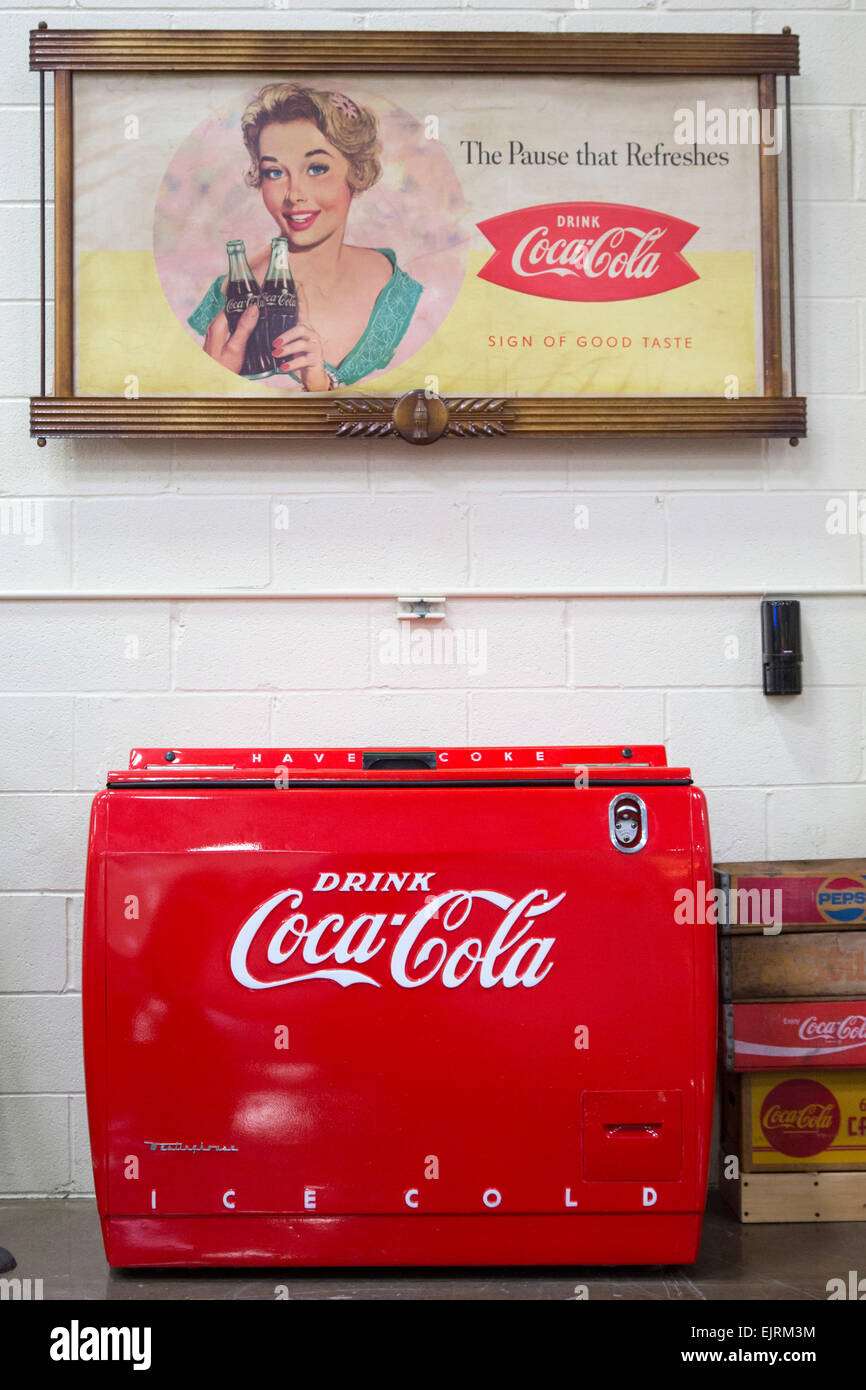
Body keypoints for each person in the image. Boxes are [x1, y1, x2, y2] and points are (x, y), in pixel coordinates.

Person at [188, 82, 423, 389]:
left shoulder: (397, 285)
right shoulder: (230, 295)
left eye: (316, 169)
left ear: (356, 170)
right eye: (274, 172)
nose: (293, 194)